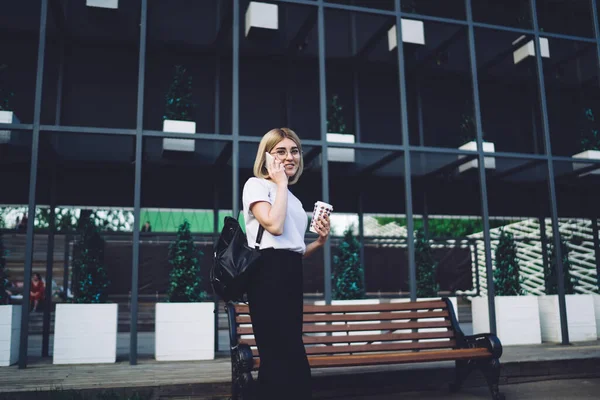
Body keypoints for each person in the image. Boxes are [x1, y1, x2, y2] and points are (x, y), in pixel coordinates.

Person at [242, 127, 331, 399]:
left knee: (291, 350)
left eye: (294, 151)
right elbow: (274, 227)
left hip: (290, 274)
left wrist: (319, 242)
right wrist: (280, 182)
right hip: (266, 274)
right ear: (266, 156)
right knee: (276, 352)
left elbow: (293, 249)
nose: (289, 156)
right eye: (281, 151)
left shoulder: (292, 198)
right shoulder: (256, 185)